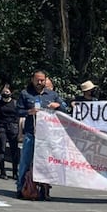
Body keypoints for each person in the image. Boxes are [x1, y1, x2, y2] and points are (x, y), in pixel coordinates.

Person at [16, 70, 67, 200]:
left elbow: (65, 109)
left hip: (47, 136)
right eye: (37, 80)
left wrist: (58, 105)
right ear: (32, 80)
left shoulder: (52, 95)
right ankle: (21, 188)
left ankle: (44, 191)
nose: (39, 82)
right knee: (25, 162)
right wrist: (29, 112)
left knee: (47, 164)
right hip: (31, 134)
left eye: (42, 80)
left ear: (46, 80)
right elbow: (17, 111)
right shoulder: (25, 94)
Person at [0, 84, 20, 180]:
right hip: (1, 127)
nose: (5, 93)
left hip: (13, 127)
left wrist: (20, 131)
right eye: (3, 92)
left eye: (7, 92)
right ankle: (3, 172)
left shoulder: (15, 103)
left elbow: (20, 118)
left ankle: (15, 173)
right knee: (1, 149)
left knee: (14, 150)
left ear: (11, 93)